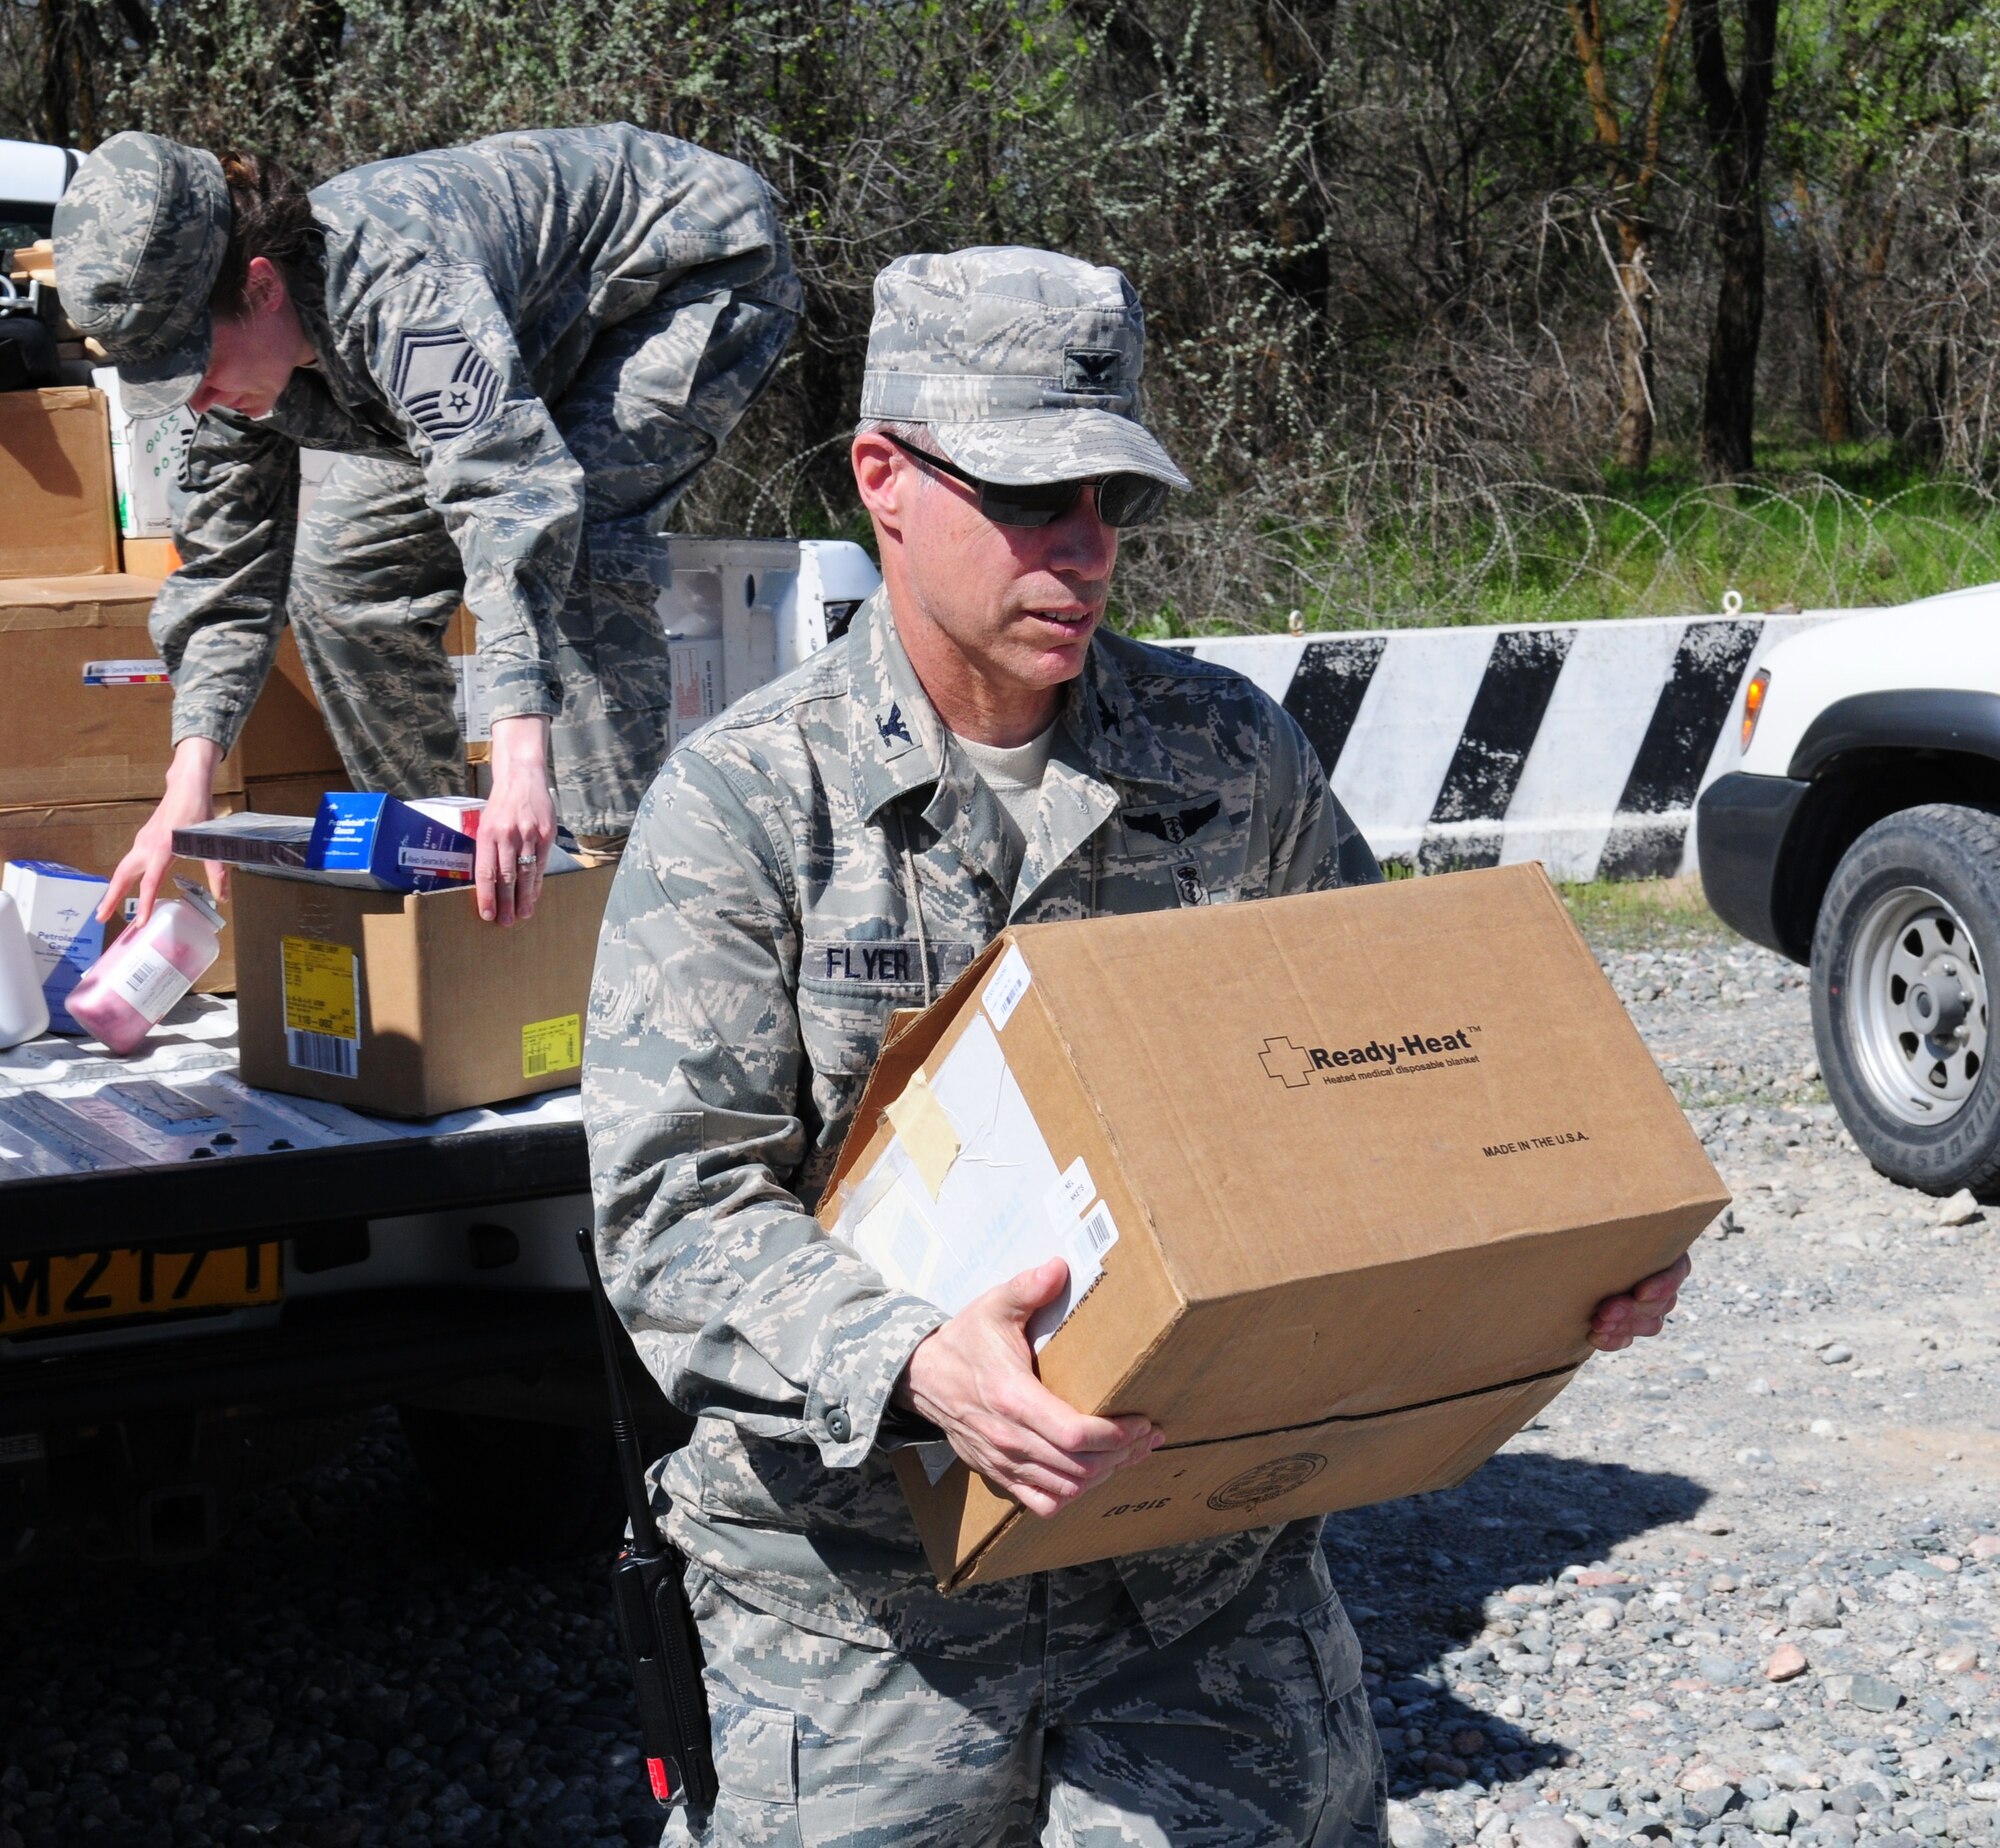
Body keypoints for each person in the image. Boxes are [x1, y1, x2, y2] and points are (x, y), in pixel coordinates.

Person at [584, 247, 1690, 1846]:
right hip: (869, 1613)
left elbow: (1397, 1101)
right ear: (884, 480)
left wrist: (1551, 1259)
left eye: (1116, 500)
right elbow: (671, 1214)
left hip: (1200, 1578)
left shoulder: (1231, 757)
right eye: (1038, 499)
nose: (1089, 551)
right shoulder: (748, 808)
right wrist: (906, 1358)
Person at [53, 124, 800, 927]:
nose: (194, 398)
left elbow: (510, 495)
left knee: (577, 538)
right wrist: (186, 785)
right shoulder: (235, 362)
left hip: (688, 272)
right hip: (525, 340)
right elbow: (224, 573)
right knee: (343, 572)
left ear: (263, 287)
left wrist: (521, 759)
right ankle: (436, 858)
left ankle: (617, 897)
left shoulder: (402, 291)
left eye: (195, 364)